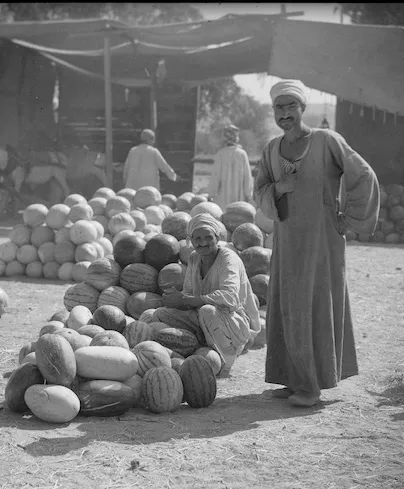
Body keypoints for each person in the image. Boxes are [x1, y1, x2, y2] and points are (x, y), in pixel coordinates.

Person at [254, 79, 380, 407]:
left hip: (322, 241)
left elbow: (363, 174)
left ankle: (312, 385)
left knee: (314, 305)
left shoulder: (326, 140)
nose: (285, 114)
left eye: (290, 106)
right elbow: (260, 193)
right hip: (287, 240)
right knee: (287, 306)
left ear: (302, 108)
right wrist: (279, 188)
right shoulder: (271, 149)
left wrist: (349, 219)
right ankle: (292, 377)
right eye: (278, 108)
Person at [151, 213, 261, 376]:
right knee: (160, 315)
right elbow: (188, 294)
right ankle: (195, 351)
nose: (203, 243)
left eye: (208, 237)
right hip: (203, 317)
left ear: (217, 237)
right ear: (191, 240)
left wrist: (185, 300)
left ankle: (227, 358)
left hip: (234, 320)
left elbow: (230, 297)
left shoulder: (228, 259)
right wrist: (175, 299)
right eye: (197, 238)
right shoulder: (194, 258)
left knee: (207, 310)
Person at [207, 124, 254, 209]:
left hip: (222, 199)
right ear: (236, 138)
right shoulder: (242, 154)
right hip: (239, 199)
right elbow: (247, 177)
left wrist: (211, 194)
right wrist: (249, 195)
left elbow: (215, 177)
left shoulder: (220, 154)